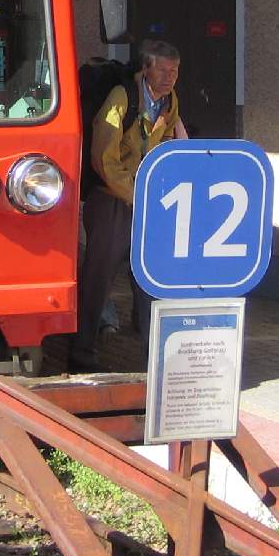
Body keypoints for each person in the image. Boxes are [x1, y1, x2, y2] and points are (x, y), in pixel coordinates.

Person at [71, 38, 188, 371]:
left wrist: (157, 186)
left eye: (175, 71)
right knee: (98, 277)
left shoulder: (169, 101)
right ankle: (82, 354)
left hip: (143, 197)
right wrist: (133, 193)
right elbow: (102, 157)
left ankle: (153, 354)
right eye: (163, 70)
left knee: (149, 274)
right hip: (111, 199)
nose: (169, 77)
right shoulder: (121, 97)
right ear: (146, 68)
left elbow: (165, 143)